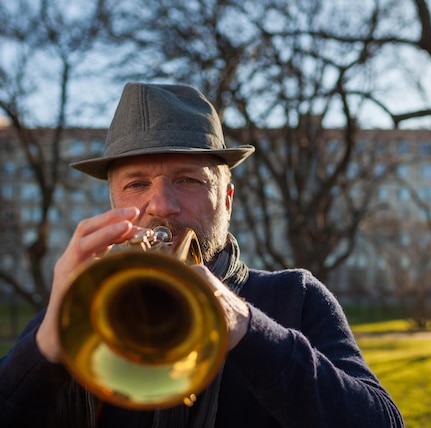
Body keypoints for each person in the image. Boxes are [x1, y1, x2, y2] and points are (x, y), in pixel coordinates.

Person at [0, 82, 404, 428]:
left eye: (187, 180)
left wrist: (248, 329)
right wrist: (44, 345)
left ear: (227, 199)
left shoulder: (294, 296)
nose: (161, 205)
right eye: (136, 184)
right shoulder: (77, 312)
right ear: (112, 201)